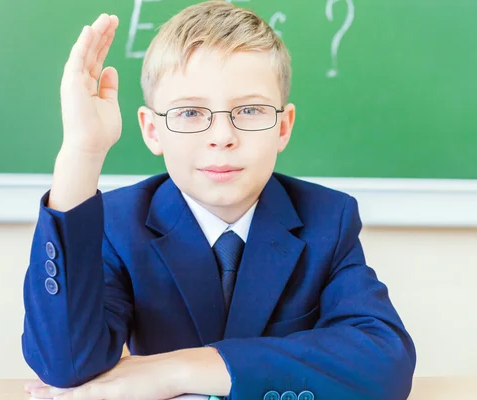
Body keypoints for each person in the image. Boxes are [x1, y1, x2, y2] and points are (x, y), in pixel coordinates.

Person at [22, 1, 416, 399]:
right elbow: (65, 364)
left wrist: (178, 369)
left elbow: (385, 363)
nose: (222, 136)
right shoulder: (119, 223)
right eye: (191, 112)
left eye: (248, 110)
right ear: (152, 130)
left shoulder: (327, 219)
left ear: (283, 127)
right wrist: (82, 152)